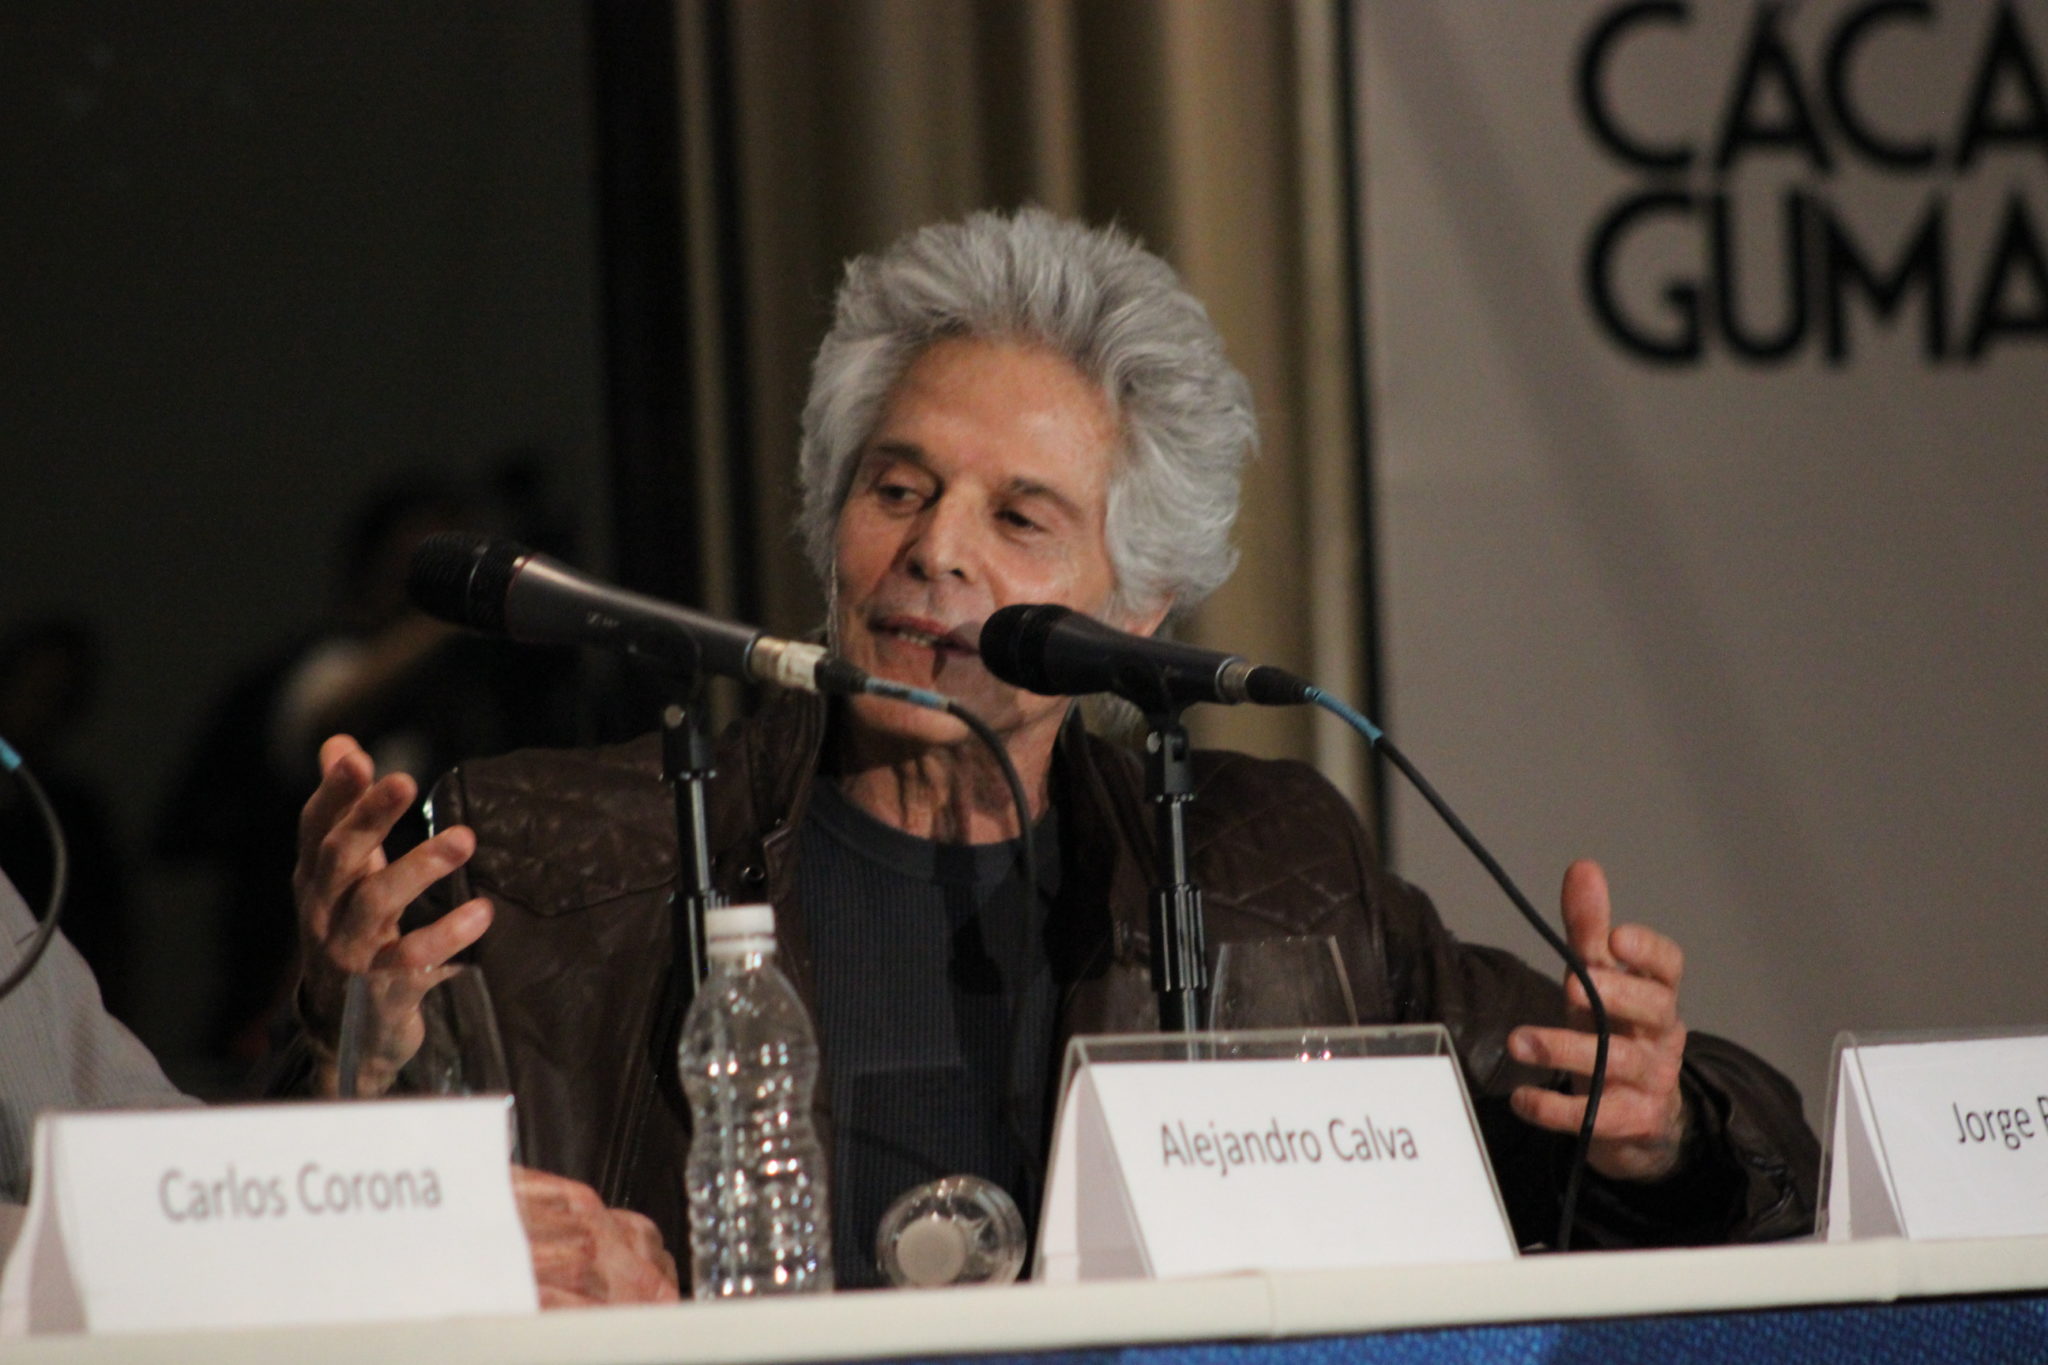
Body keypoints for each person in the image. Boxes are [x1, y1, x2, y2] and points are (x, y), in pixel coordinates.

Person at [289, 208, 1818, 1291]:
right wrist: (354, 1045)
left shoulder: (1274, 870)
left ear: (1138, 601)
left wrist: (1660, 1123)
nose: (936, 550)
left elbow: (1699, 1159)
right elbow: (286, 1240)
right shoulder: (548, 863)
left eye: (1020, 516)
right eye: (898, 489)